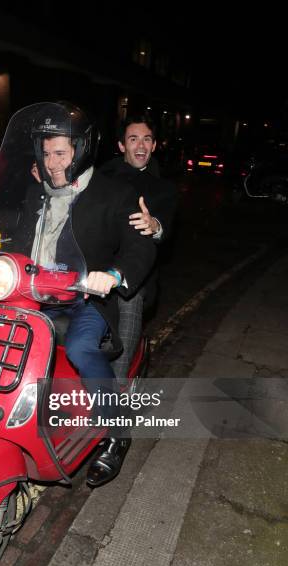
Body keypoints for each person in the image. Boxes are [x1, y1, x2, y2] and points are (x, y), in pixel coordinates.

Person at [26, 102, 157, 486]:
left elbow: (140, 245)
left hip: (86, 298)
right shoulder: (36, 191)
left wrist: (114, 274)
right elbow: (8, 230)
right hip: (34, 294)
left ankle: (116, 432)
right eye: (47, 153)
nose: (52, 162)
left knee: (83, 349)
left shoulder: (113, 192)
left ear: (80, 151)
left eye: (61, 153)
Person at [100, 114, 178, 379]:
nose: (141, 145)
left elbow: (164, 227)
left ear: (154, 146)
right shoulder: (99, 178)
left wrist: (154, 225)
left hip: (136, 274)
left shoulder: (163, 188)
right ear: (122, 145)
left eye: (147, 139)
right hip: (94, 264)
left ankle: (117, 390)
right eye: (133, 139)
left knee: (129, 297)